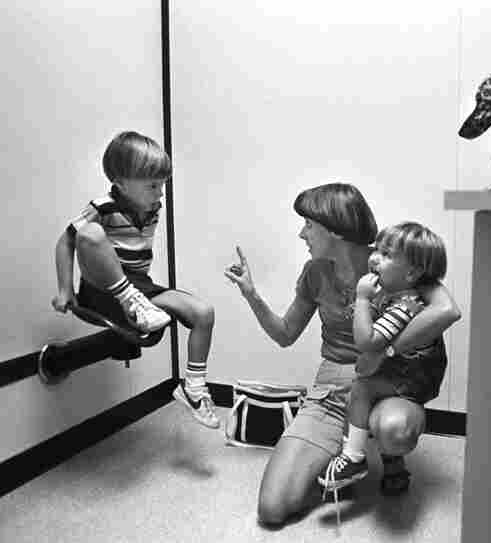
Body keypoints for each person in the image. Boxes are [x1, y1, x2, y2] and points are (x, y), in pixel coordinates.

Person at [223, 182, 461, 525]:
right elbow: (285, 335)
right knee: (273, 509)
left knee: (395, 431)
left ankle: (385, 454)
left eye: (308, 225)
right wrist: (251, 294)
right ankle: (347, 453)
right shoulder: (315, 272)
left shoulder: (391, 260)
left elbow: (447, 311)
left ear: (333, 229)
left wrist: (386, 352)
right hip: (331, 390)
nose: (302, 234)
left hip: (387, 384)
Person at [51, 131, 219, 429]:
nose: (160, 193)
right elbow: (65, 243)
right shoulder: (102, 207)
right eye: (153, 186)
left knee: (203, 313)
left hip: (139, 286)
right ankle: (131, 303)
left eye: (162, 185)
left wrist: (141, 293)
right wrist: (65, 290)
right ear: (120, 183)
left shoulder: (152, 208)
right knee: (89, 233)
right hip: (101, 289)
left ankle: (193, 389)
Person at [318, 221, 449, 491]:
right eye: (377, 249)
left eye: (387, 255)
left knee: (362, 390)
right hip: (402, 371)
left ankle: (353, 457)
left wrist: (363, 300)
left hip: (409, 378)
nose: (374, 257)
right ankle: (394, 467)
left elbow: (367, 342)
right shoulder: (395, 295)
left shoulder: (404, 306)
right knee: (367, 390)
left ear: (412, 273)